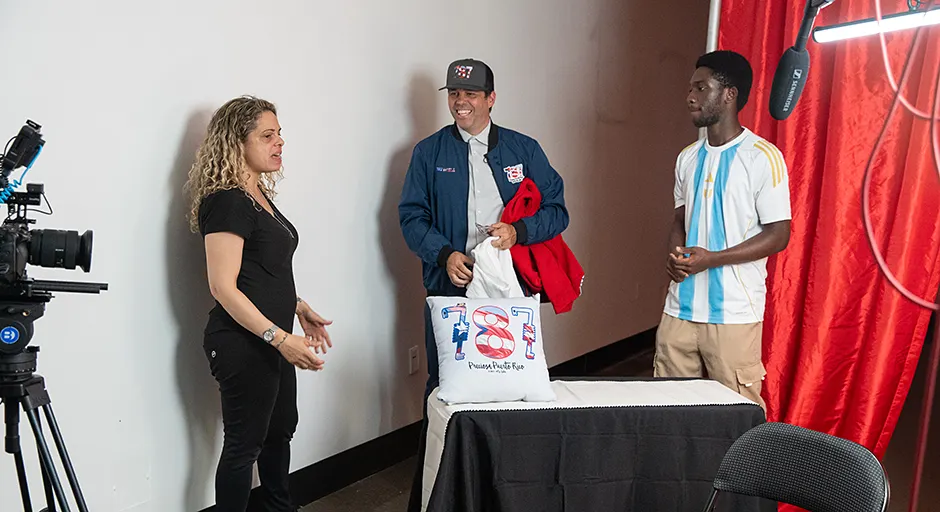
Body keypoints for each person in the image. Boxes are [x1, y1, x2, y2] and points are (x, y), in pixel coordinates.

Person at [398, 58, 570, 510]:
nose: (461, 102)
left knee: (512, 382)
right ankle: (440, 488)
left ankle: (511, 485)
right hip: (451, 288)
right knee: (446, 385)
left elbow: (557, 209)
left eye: (471, 94)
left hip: (509, 290)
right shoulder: (429, 153)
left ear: (491, 98)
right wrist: (444, 253)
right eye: (454, 94)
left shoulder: (523, 149)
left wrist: (520, 232)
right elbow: (411, 216)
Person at [185, 95, 334, 512]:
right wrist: (278, 337)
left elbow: (262, 271)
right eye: (267, 136)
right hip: (242, 341)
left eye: (279, 134)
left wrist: (299, 307)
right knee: (243, 445)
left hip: (274, 336)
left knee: (280, 429)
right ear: (237, 143)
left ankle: (278, 507)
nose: (279, 143)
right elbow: (224, 287)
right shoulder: (227, 200)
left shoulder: (258, 196)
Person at [656, 50, 791, 412]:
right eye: (690, 87)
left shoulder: (763, 156)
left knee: (736, 417)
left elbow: (779, 235)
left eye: (702, 87)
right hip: (679, 310)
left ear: (729, 94)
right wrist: (676, 256)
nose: (690, 96)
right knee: (666, 409)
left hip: (733, 314)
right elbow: (679, 220)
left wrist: (712, 260)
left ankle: (739, 472)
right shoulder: (688, 157)